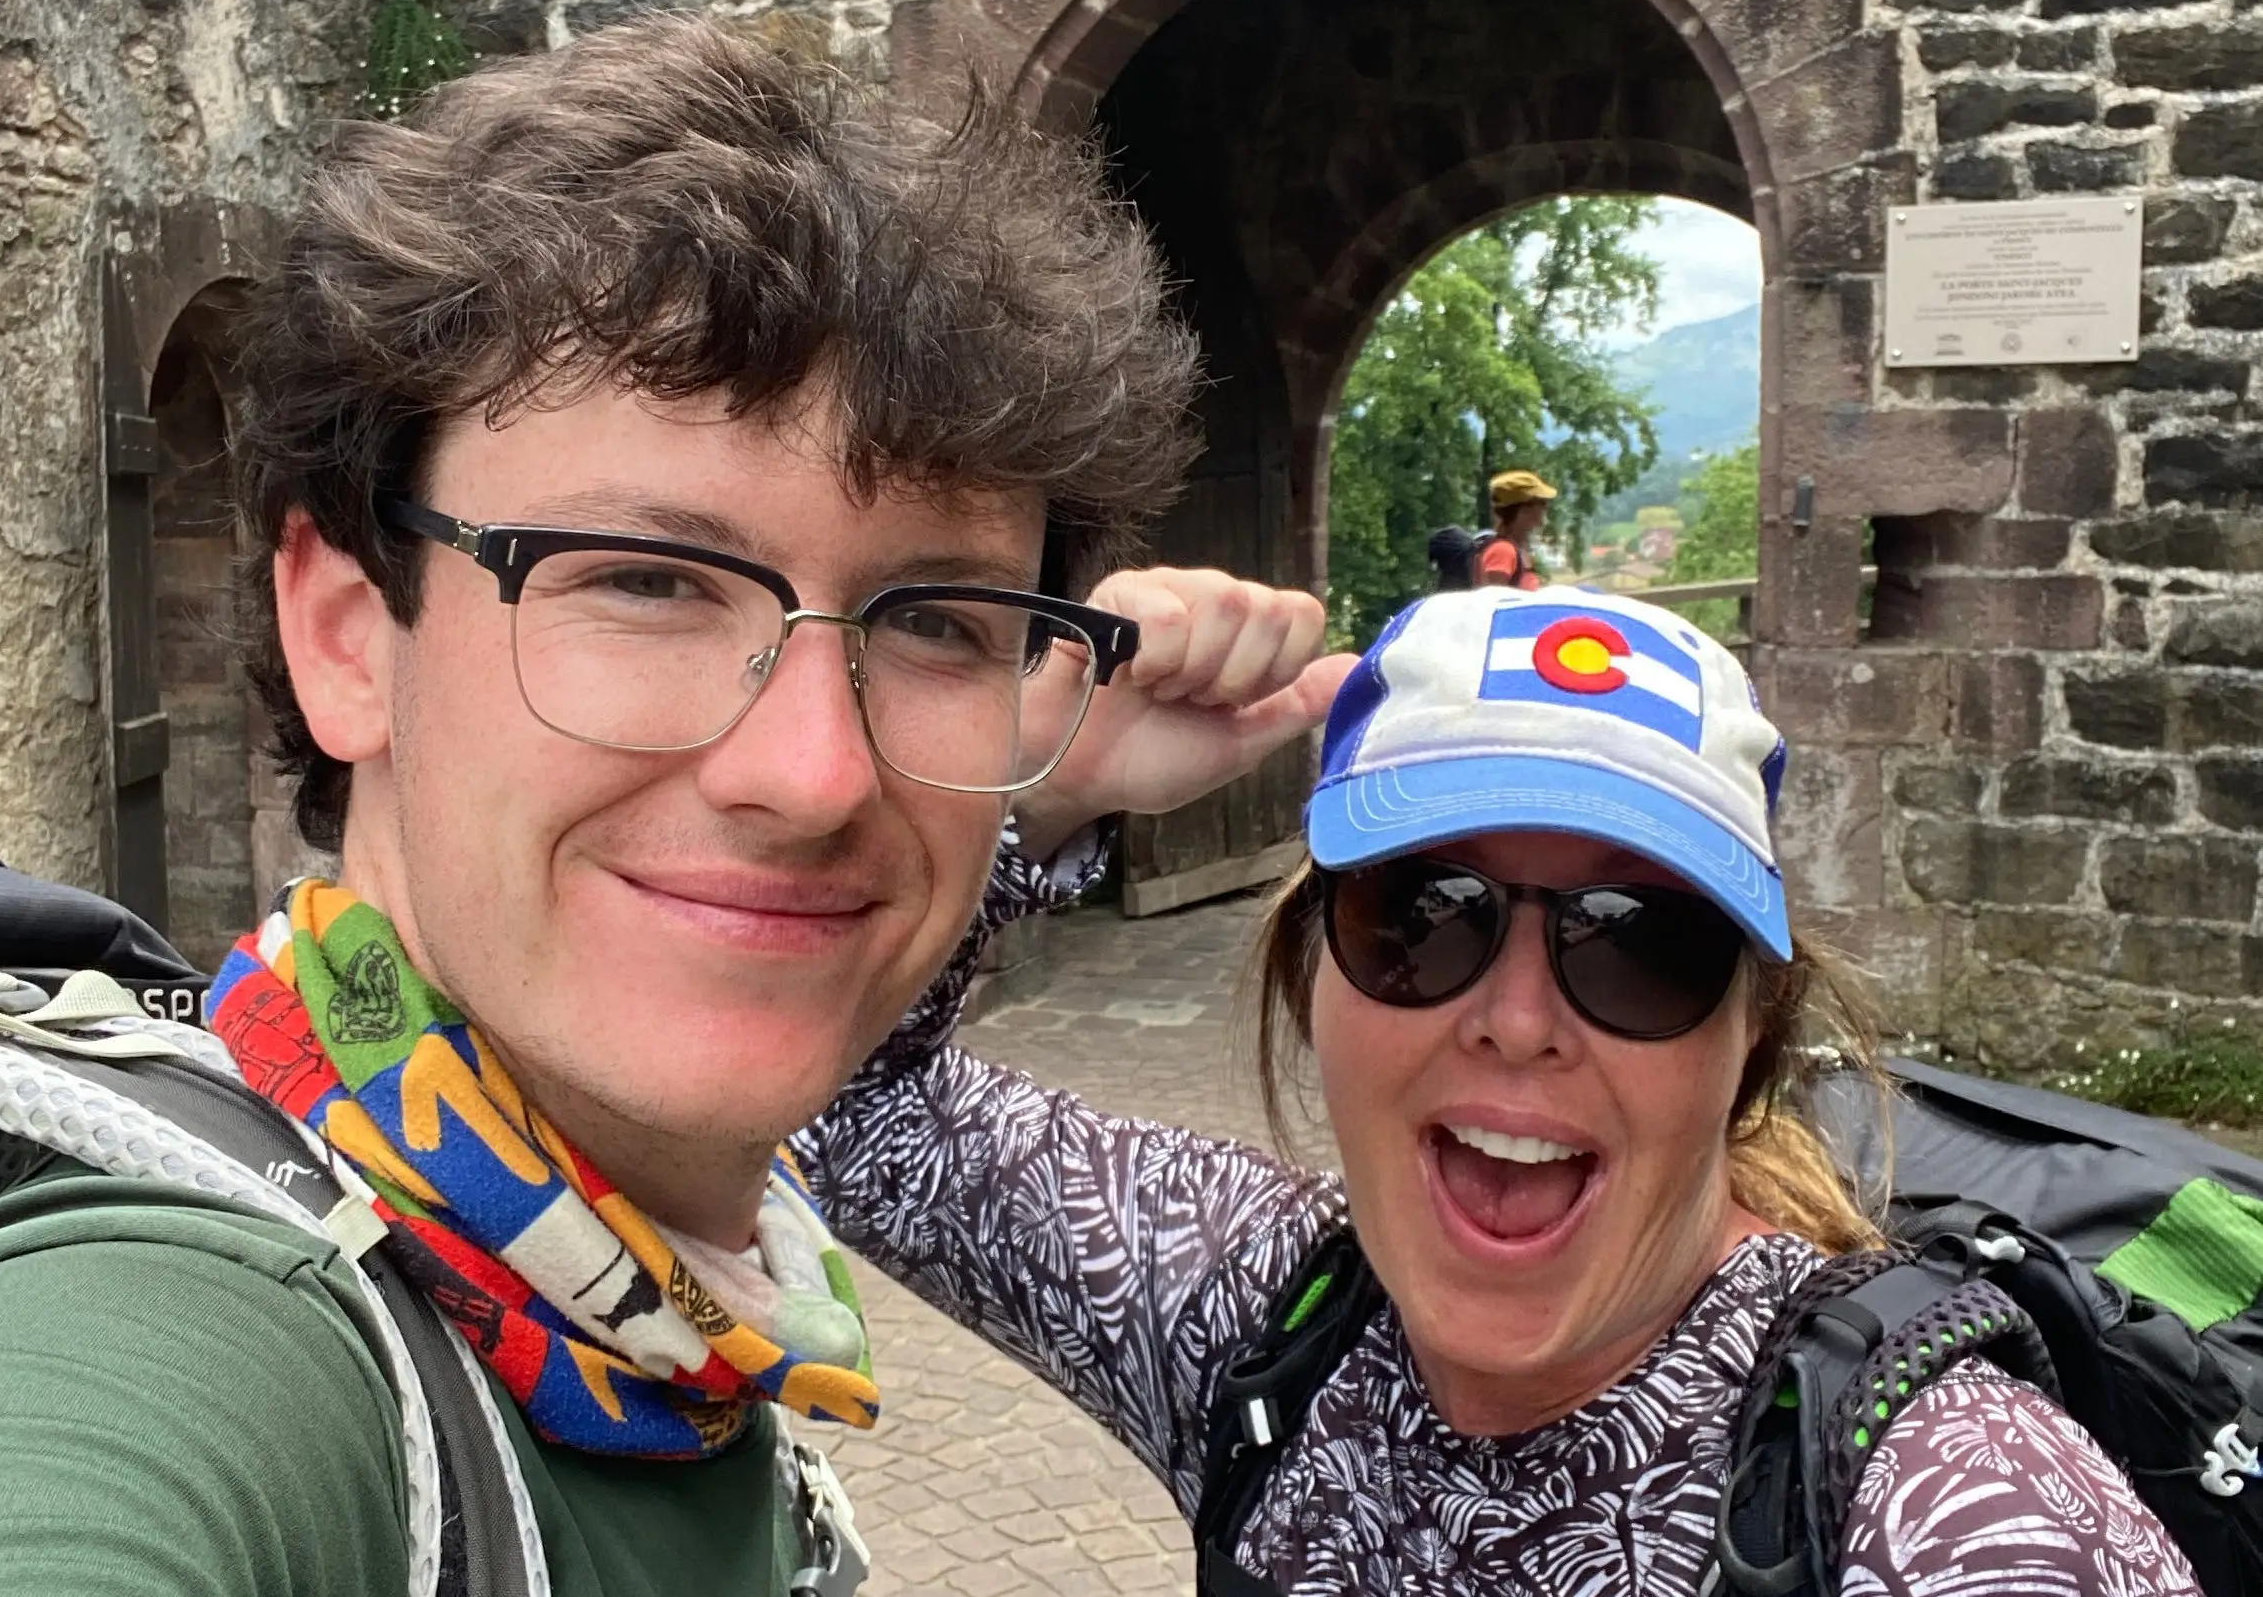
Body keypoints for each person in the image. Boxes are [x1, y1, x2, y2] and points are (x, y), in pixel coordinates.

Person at [0, 18, 1349, 1594]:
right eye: (645, 584)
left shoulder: (664, 1310)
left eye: (934, 619)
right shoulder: (190, 1339)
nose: (813, 773)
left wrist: (1044, 774)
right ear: (347, 632)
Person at [799, 583, 2201, 1596]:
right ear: (1311, 974)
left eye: (1641, 943)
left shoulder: (1950, 1507)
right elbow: (836, 1104)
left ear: (1749, 1031)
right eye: (1429, 912)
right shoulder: (1263, 1309)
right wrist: (1033, 798)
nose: (1519, 1020)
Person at [1476, 467, 1557, 588]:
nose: (1546, 507)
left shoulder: (1517, 550)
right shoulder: (1503, 551)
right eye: (1542, 502)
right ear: (1523, 509)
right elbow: (1494, 602)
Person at [1425, 524, 1485, 592]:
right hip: (1466, 578)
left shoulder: (1436, 541)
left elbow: (1433, 566)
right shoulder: (1466, 542)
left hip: (1449, 583)